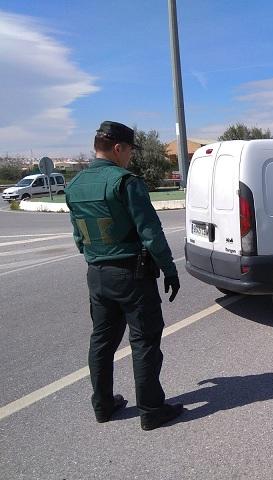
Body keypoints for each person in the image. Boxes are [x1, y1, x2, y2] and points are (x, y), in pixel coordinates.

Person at [66, 121, 184, 431]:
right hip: (131, 275)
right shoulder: (126, 182)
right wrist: (169, 270)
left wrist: (97, 261)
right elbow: (150, 232)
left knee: (102, 342)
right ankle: (152, 411)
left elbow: (78, 236)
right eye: (130, 150)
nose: (130, 156)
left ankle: (103, 406)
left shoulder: (75, 183)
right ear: (118, 148)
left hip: (97, 275)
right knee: (144, 341)